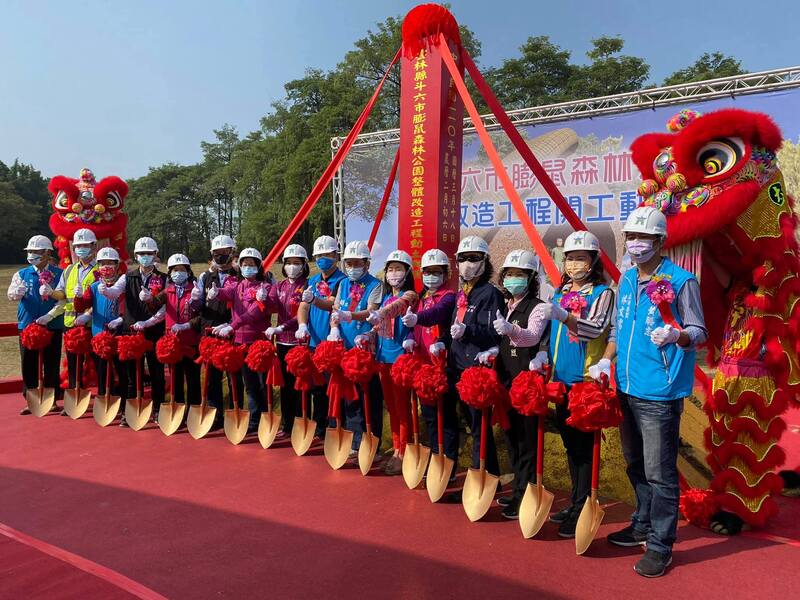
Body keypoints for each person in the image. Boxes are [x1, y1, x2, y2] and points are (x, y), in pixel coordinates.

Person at [599, 206, 707, 578]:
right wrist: (605, 361)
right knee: (635, 464)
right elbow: (616, 331)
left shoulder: (682, 281)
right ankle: (642, 524)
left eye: (643, 238)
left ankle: (661, 545)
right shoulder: (626, 280)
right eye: (631, 237)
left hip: (659, 392)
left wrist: (678, 335)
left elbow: (698, 331)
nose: (635, 244)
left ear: (661, 242)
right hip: (626, 385)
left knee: (660, 473)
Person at [534, 231, 614, 536]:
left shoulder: (603, 293)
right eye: (569, 258)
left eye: (580, 258)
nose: (573, 264)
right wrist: (542, 355)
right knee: (570, 446)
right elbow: (549, 332)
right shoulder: (560, 291)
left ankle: (583, 505)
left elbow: (593, 330)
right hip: (562, 381)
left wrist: (564, 314)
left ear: (593, 261)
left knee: (583, 448)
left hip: (586, 382)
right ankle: (576, 501)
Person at [492, 249, 550, 520]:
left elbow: (532, 336)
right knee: (512, 440)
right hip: (507, 381)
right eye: (509, 274)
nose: (513, 279)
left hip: (527, 384)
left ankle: (526, 493)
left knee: (527, 443)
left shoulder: (537, 306)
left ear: (531, 277)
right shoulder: (507, 305)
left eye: (519, 274)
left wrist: (512, 330)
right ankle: (517, 490)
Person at [448, 236, 505, 500]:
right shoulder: (463, 291)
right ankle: (486, 476)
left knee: (479, 426)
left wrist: (467, 330)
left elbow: (493, 333)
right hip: (458, 366)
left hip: (476, 368)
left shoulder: (489, 294)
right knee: (471, 425)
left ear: (485, 262)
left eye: (474, 258)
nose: (467, 264)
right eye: (463, 259)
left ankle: (485, 477)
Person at [208, 247, 272, 433]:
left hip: (257, 343)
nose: (247, 267)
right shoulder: (237, 285)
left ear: (258, 266)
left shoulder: (264, 288)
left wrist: (232, 325)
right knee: (249, 384)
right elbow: (226, 292)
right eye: (244, 264)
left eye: (252, 264)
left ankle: (262, 417)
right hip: (239, 341)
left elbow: (254, 312)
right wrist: (216, 293)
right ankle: (253, 420)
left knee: (261, 383)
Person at [330, 240, 383, 462]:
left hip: (365, 350)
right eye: (348, 263)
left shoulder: (375, 285)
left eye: (357, 263)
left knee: (368, 397)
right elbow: (335, 310)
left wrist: (351, 315)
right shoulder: (342, 284)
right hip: (346, 351)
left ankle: (374, 443)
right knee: (350, 398)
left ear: (367, 263)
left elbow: (372, 312)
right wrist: (334, 328)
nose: (352, 267)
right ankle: (354, 442)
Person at [368, 250, 418, 475]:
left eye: (398, 269)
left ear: (407, 272)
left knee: (402, 407)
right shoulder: (386, 296)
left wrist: (381, 313)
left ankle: (404, 450)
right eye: (390, 269)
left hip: (401, 360)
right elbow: (380, 326)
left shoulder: (410, 296)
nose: (393, 273)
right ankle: (397, 446)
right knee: (392, 408)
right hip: (384, 359)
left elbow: (395, 308)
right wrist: (368, 335)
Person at [7, 235, 65, 414]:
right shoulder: (22, 273)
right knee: (28, 363)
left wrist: (49, 316)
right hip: (27, 324)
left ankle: (52, 399)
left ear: (47, 253)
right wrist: (16, 292)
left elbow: (64, 299)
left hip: (52, 323)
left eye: (36, 251)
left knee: (51, 362)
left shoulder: (59, 273)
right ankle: (31, 399)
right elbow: (11, 295)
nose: (32, 254)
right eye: (30, 251)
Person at [295, 235, 346, 439]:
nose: (323, 258)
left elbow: (332, 304)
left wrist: (315, 299)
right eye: (319, 255)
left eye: (327, 254)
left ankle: (334, 426)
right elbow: (303, 306)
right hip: (314, 342)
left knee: (332, 388)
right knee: (316, 388)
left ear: (335, 255)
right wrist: (302, 324)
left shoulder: (342, 280)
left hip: (332, 344)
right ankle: (319, 426)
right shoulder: (313, 280)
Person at [192, 235, 241, 428]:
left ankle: (234, 414)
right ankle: (215, 415)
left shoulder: (239, 275)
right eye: (216, 253)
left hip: (231, 331)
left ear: (232, 253)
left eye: (224, 253)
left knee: (233, 377)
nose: (220, 257)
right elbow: (198, 307)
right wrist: (194, 300)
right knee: (211, 378)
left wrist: (230, 324)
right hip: (210, 331)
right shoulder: (204, 277)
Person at [76, 247, 129, 425]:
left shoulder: (123, 286)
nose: (106, 267)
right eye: (102, 264)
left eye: (110, 263)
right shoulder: (92, 286)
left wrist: (120, 320)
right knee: (102, 372)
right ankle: (105, 401)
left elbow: (126, 309)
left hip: (118, 336)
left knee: (122, 372)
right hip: (98, 336)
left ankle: (123, 408)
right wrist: (79, 302)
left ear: (117, 265)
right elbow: (85, 305)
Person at [49, 228, 98, 414]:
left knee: (98, 362)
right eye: (78, 246)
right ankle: (73, 398)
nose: (81, 249)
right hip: (70, 325)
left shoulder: (99, 269)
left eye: (85, 246)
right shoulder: (69, 270)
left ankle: (102, 397)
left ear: (94, 247)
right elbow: (62, 294)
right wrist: (50, 292)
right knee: (72, 365)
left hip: (92, 325)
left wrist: (89, 314)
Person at [119, 237, 167, 416]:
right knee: (132, 373)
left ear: (155, 255)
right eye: (141, 254)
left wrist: (149, 321)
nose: (145, 257)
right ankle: (130, 410)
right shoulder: (128, 276)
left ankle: (158, 409)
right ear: (135, 255)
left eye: (148, 253)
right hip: (132, 331)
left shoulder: (163, 278)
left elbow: (163, 307)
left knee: (156, 372)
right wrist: (104, 288)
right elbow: (115, 291)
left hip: (154, 330)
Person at [266, 244, 309, 438]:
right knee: (285, 386)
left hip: (300, 342)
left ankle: (303, 422)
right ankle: (287, 424)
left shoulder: (307, 286)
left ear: (303, 265)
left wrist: (282, 327)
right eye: (289, 263)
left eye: (296, 263)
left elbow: (301, 312)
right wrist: (262, 299)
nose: (292, 266)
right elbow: (272, 306)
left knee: (300, 385)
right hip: (282, 342)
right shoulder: (280, 286)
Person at [154, 254, 201, 413]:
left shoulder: (195, 290)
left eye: (181, 270)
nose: (178, 273)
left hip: (191, 342)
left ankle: (193, 411)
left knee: (193, 378)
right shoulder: (167, 291)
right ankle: (178, 410)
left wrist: (187, 325)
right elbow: (154, 305)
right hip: (172, 343)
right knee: (176, 378)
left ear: (188, 272)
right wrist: (147, 298)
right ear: (170, 273)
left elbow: (202, 315)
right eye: (174, 270)